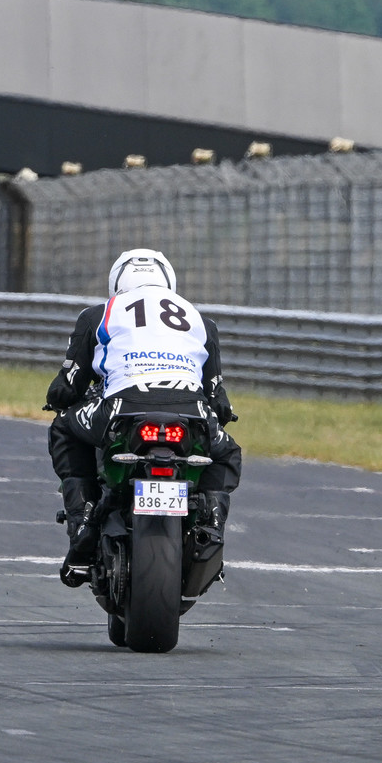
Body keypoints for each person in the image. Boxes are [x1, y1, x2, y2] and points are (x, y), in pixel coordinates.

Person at [44, 248, 241, 587]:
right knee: (227, 452)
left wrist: (58, 397)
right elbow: (218, 399)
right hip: (190, 413)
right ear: (169, 282)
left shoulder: (99, 314)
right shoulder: (200, 320)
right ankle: (210, 522)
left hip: (123, 409)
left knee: (64, 427)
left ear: (116, 282)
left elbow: (67, 387)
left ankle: (83, 519)